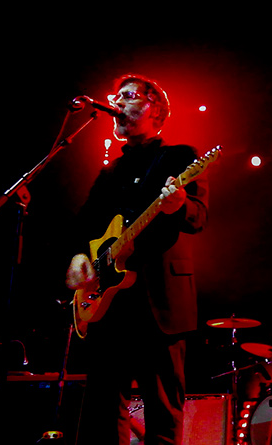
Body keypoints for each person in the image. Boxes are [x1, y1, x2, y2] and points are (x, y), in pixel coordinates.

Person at [66, 74, 209, 445]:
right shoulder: (110, 172)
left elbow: (199, 217)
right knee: (102, 414)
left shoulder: (180, 157)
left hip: (160, 302)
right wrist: (79, 257)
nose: (117, 103)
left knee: (162, 414)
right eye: (116, 97)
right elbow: (83, 226)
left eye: (129, 96)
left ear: (155, 109)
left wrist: (179, 205)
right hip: (110, 305)